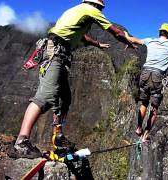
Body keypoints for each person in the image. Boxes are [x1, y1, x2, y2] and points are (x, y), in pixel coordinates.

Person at [12, 0, 134, 158]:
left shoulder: (75, 11)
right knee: (46, 96)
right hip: (54, 52)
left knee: (64, 98)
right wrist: (129, 40)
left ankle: (58, 137)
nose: (100, 10)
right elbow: (116, 32)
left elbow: (82, 36)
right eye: (100, 7)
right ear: (96, 5)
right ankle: (22, 142)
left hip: (58, 53)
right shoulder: (91, 10)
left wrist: (97, 44)